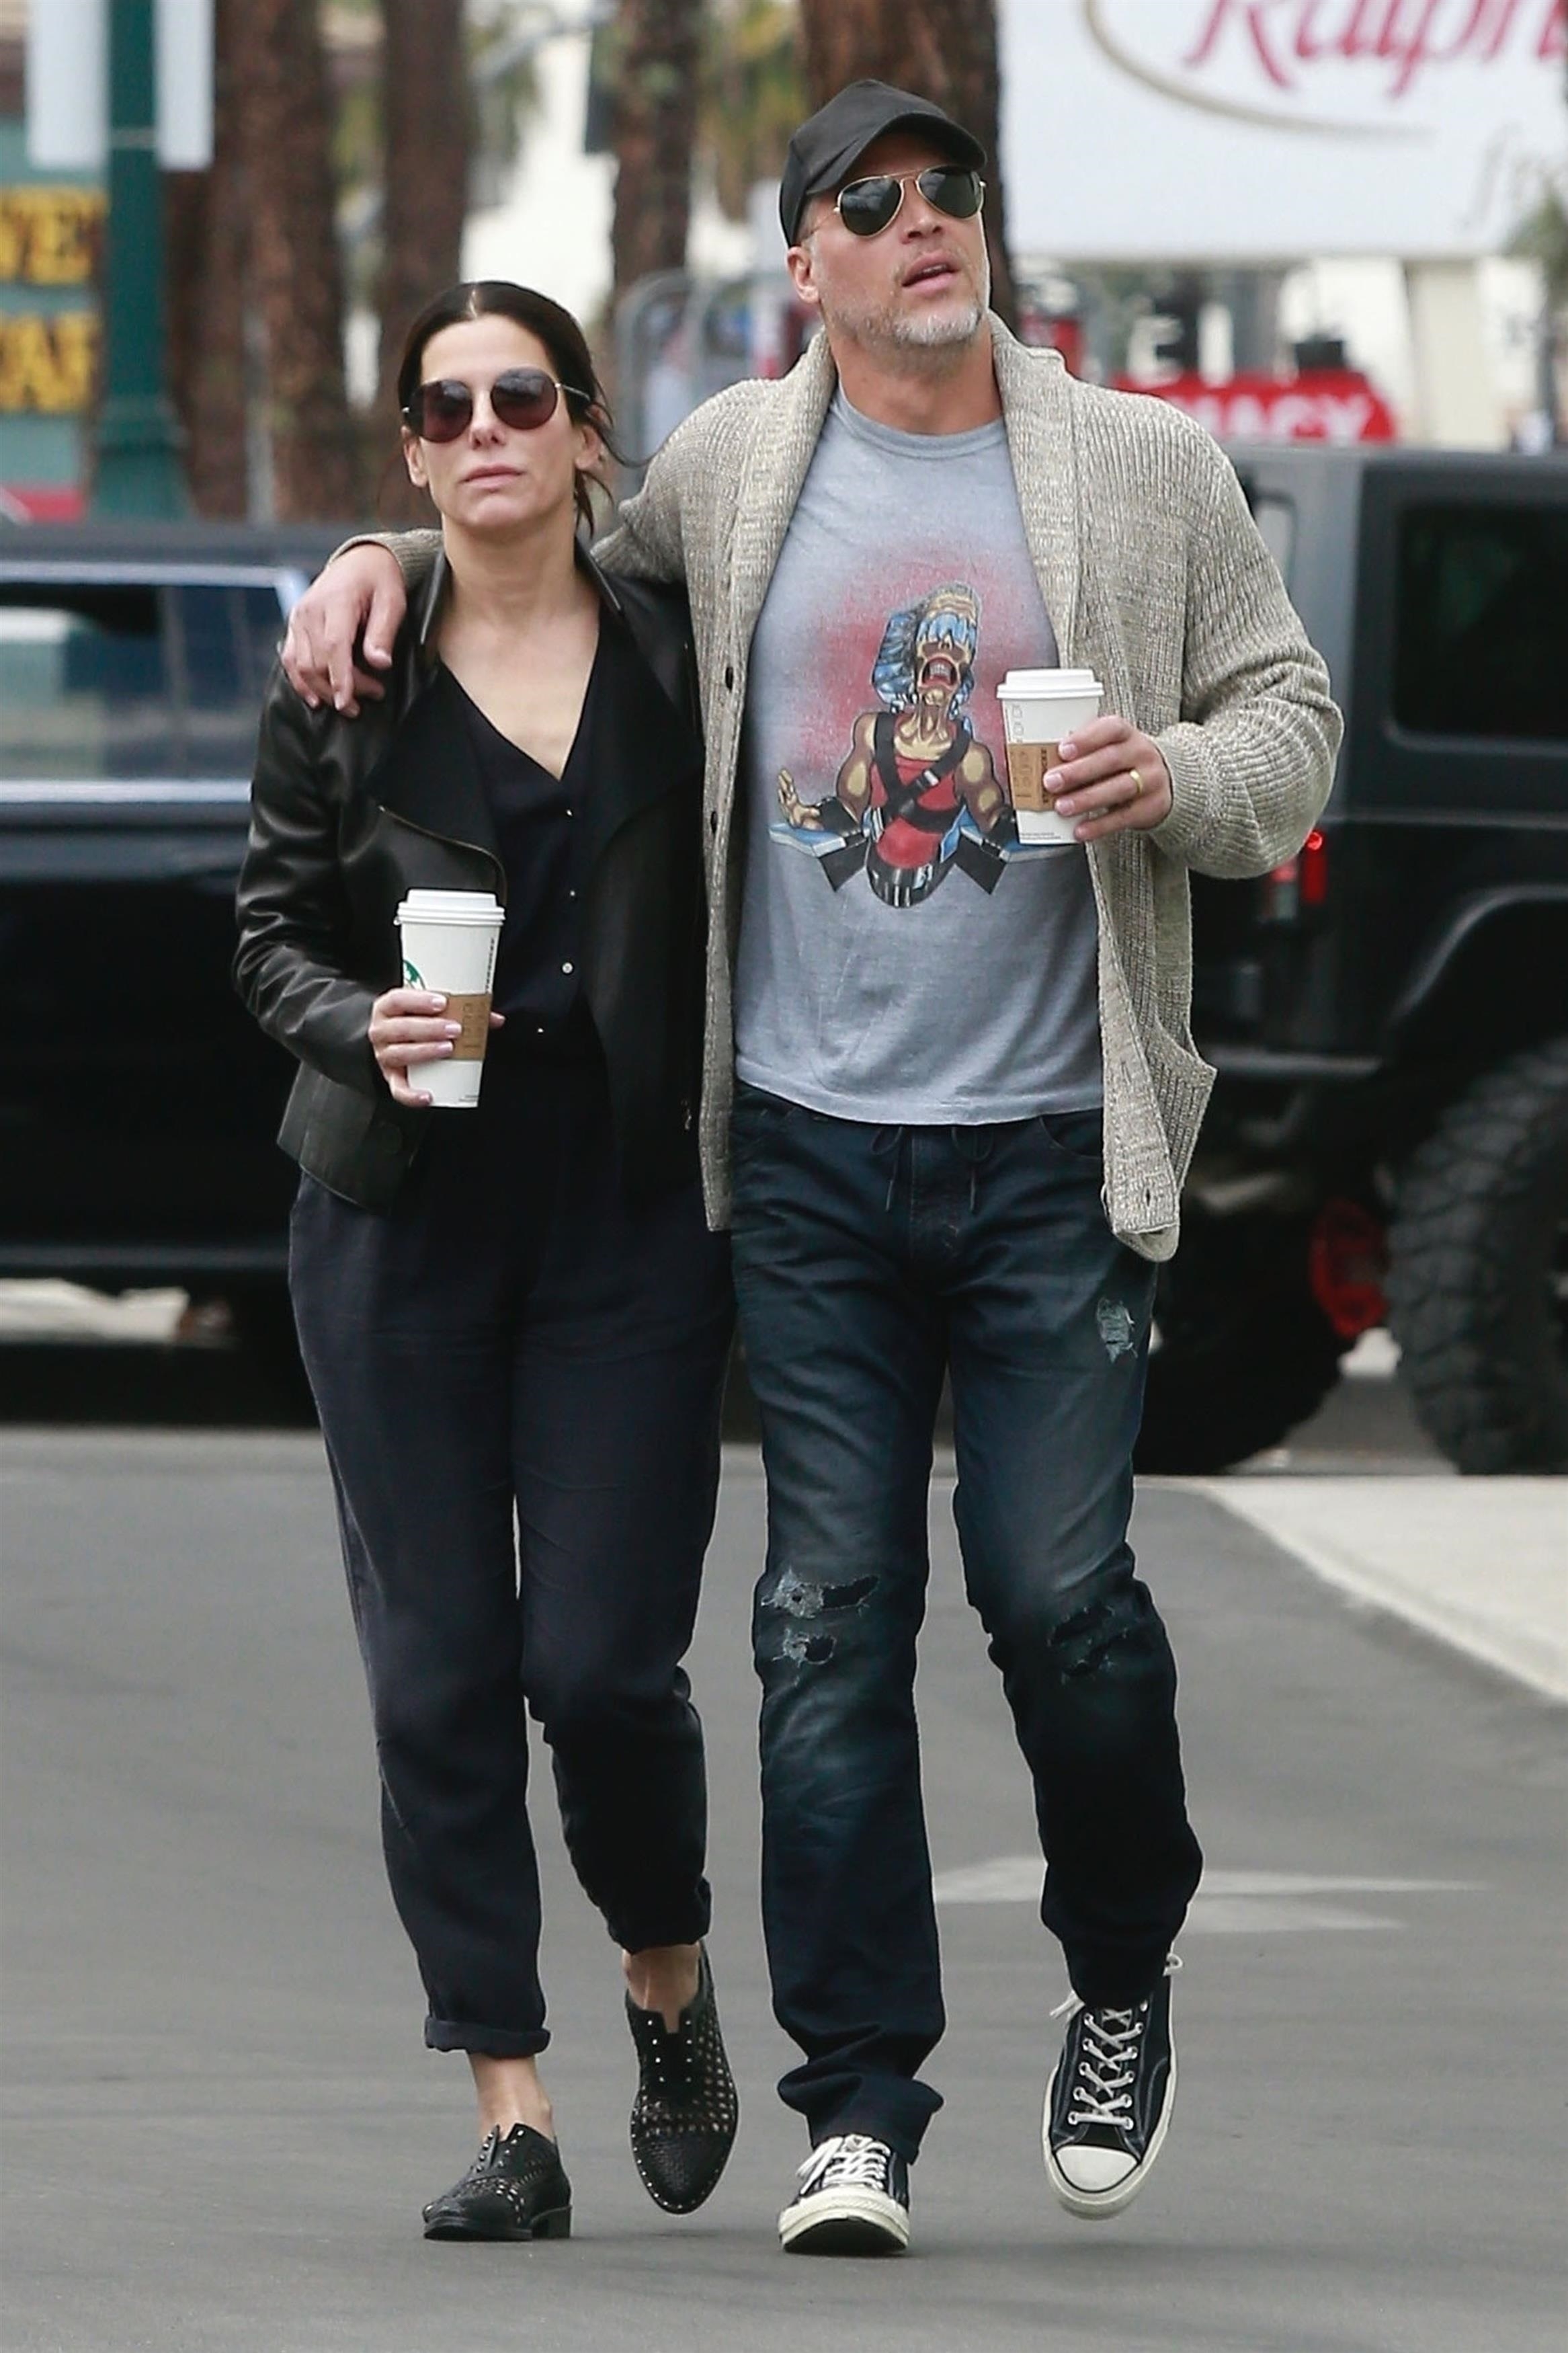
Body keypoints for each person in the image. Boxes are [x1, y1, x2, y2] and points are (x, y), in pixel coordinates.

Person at [281, 83, 1343, 2257]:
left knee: (1060, 1604)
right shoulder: (733, 466)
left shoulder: (1139, 467)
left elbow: (1292, 719)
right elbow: (534, 564)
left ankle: (1120, 1956)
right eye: (873, 201)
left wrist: (1175, 773)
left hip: (1051, 1144)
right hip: (805, 1152)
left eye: (952, 190)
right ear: (806, 263)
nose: (924, 220)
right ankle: (857, 2099)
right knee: (821, 1627)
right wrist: (381, 554)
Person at [236, 280, 739, 2243]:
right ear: (413, 453)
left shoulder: (683, 647)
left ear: (590, 432)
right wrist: (357, 1022)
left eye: (520, 397)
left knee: (601, 1668)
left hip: (626, 1207)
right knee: (437, 1669)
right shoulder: (347, 674)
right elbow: (269, 931)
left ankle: (667, 1979)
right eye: (442, 411)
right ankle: (511, 2103)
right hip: (399, 1216)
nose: (483, 433)